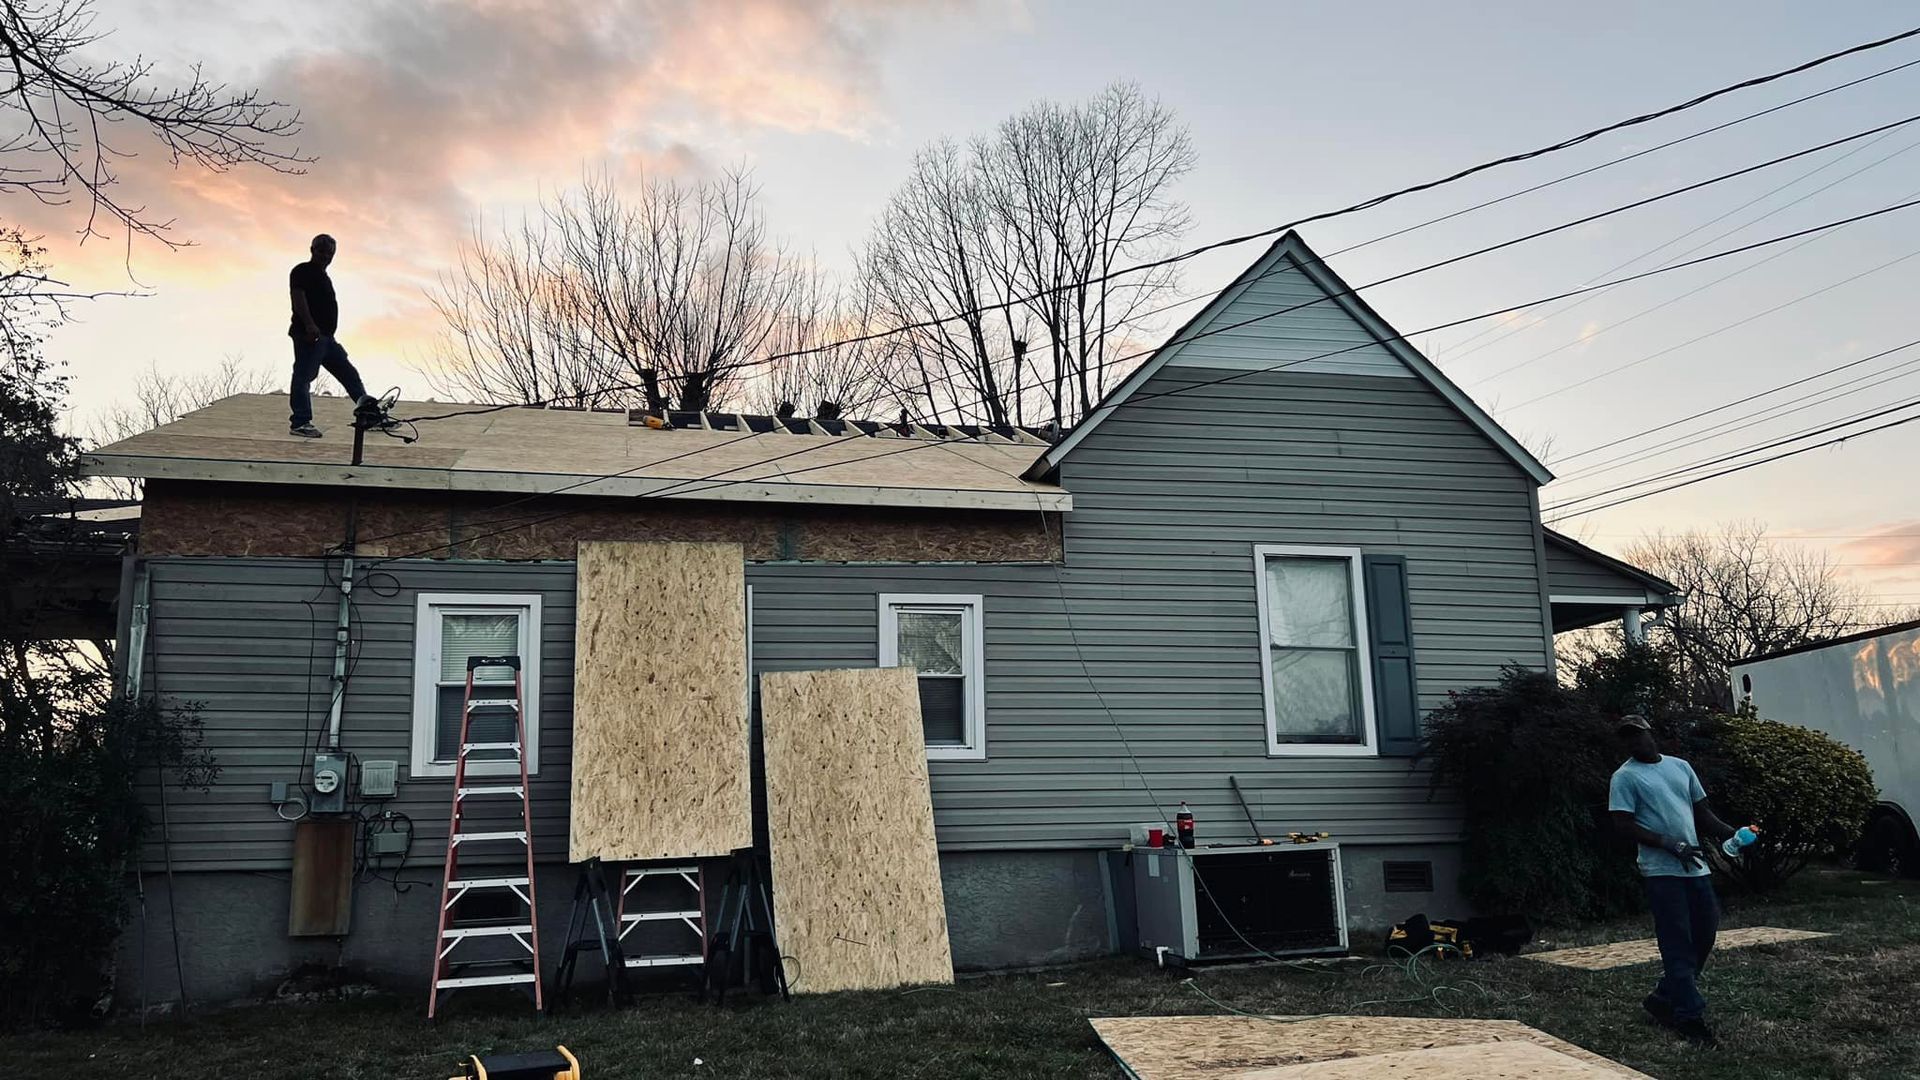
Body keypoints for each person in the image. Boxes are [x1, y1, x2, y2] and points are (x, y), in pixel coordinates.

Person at [1608, 713, 1738, 1048]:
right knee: (1677, 941)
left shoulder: (1680, 766)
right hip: (1661, 872)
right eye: (1627, 738)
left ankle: (1664, 996)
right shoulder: (1625, 778)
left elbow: (1702, 813)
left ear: (1651, 734)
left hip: (1696, 867)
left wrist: (1733, 833)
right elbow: (1622, 824)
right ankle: (1688, 1016)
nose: (1634, 741)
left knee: (1705, 936)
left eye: (1638, 735)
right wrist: (1669, 844)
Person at [287, 233, 378, 437]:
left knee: (348, 374)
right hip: (310, 336)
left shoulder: (323, 276)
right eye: (322, 252)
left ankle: (369, 414)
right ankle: (300, 422)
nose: (326, 257)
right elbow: (298, 297)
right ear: (312, 250)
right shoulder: (303, 271)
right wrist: (309, 325)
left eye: (330, 254)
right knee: (303, 375)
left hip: (327, 339)